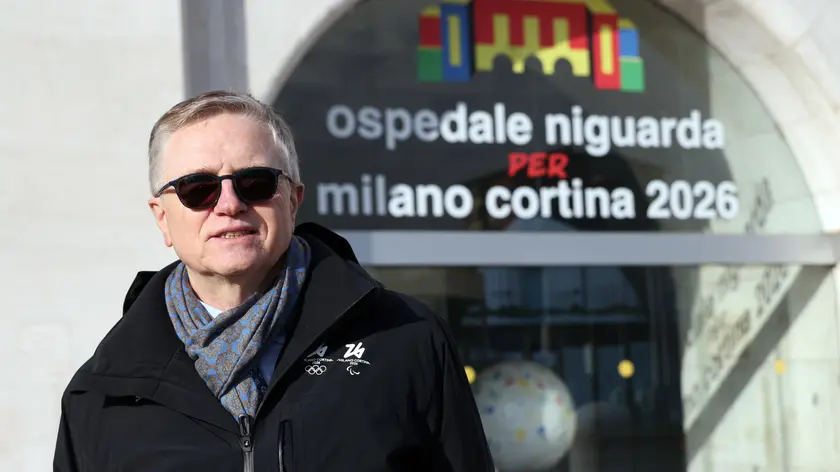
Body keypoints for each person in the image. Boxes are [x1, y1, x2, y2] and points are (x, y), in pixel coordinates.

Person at [53, 90, 495, 471]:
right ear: (162, 218)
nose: (229, 204)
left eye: (255, 182)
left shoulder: (404, 339)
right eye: (197, 189)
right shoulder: (103, 391)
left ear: (293, 200)